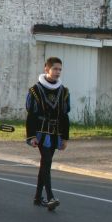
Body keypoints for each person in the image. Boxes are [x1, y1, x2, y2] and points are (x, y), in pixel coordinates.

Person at [26, 57, 70, 211]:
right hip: (40, 133)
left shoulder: (63, 91)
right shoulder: (35, 90)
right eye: (55, 69)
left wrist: (65, 137)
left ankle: (38, 197)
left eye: (60, 69)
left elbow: (64, 116)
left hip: (55, 134)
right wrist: (30, 136)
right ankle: (50, 196)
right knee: (46, 160)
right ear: (46, 69)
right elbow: (31, 115)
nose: (57, 72)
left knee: (46, 163)